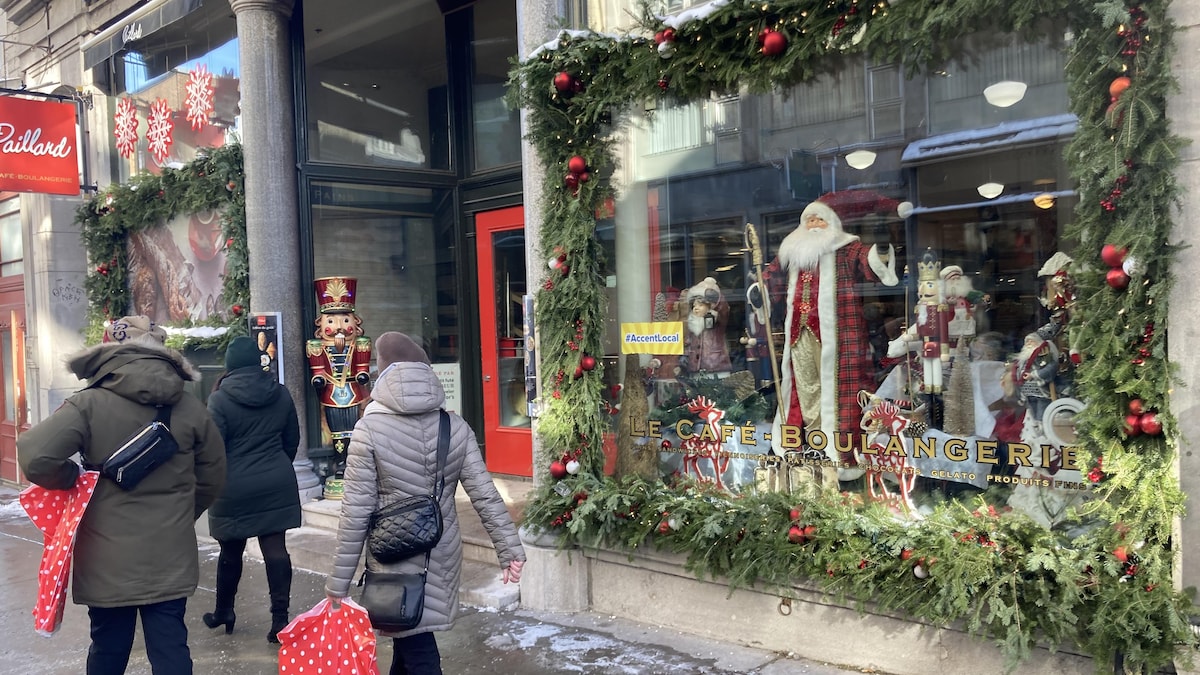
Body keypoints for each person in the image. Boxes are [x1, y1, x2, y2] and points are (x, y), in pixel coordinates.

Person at [17, 315, 226, 675]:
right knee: (172, 647)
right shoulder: (191, 406)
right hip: (169, 553)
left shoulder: (88, 404)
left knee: (108, 649)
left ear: (109, 351)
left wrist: (71, 477)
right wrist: (181, 514)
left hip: (105, 555)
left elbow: (35, 457)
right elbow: (214, 475)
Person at [325, 332, 526, 675]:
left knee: (417, 645)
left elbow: (355, 511)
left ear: (382, 374)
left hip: (393, 550)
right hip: (440, 548)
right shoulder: (455, 425)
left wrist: (338, 584)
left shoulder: (368, 430)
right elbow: (485, 494)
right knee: (410, 633)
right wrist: (510, 550)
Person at [759, 190, 906, 478]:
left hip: (839, 339)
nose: (813, 224)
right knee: (804, 388)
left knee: (839, 391)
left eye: (819, 219)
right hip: (799, 334)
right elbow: (770, 279)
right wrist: (759, 289)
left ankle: (837, 452)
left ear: (832, 223)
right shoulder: (792, 251)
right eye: (808, 219)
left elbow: (870, 264)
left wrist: (884, 246)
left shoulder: (845, 249)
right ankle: (809, 442)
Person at [202, 336, 302, 643]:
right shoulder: (281, 393)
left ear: (230, 366)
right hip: (276, 481)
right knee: (276, 551)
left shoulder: (219, 399)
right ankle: (280, 622)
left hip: (233, 485)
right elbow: (292, 440)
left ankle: (224, 611)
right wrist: (275, 466)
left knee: (230, 551)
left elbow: (213, 449)